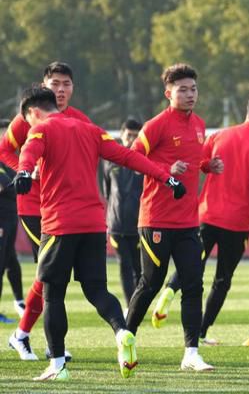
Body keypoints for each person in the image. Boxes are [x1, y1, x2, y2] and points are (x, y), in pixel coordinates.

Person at [14, 86, 184, 381]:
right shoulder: (90, 129)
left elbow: (29, 153)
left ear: (32, 112)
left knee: (53, 295)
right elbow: (128, 157)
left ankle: (57, 366)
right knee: (97, 291)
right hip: (94, 224)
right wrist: (166, 177)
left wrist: (23, 173)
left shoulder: (40, 129)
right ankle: (121, 332)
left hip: (59, 225)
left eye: (28, 121)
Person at [154, 94, 249, 346]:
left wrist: (207, 166)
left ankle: (169, 291)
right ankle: (201, 333)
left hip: (206, 214)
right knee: (222, 279)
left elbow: (198, 162)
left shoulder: (219, 135)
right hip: (236, 223)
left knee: (192, 266)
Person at [125, 63, 214, 371]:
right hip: (156, 219)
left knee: (193, 283)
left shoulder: (200, 124)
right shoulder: (157, 125)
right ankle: (126, 338)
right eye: (182, 90)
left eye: (193, 89)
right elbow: (133, 157)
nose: (190, 94)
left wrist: (207, 166)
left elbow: (192, 160)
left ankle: (191, 353)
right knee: (150, 283)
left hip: (188, 221)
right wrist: (166, 173)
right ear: (168, 93)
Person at [2, 62, 92, 361]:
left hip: (64, 208)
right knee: (51, 274)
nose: (61, 89)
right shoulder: (28, 118)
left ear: (73, 87)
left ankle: (23, 336)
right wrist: (25, 173)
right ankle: (36, 340)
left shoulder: (80, 120)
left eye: (66, 83)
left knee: (52, 274)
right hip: (33, 206)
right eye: (55, 83)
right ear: (44, 85)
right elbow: (4, 150)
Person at [103, 119, 144, 307]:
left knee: (139, 268)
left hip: (139, 226)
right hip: (117, 226)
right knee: (124, 266)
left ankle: (137, 305)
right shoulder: (111, 161)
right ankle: (130, 307)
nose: (132, 139)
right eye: (129, 135)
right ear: (122, 135)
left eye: (136, 136)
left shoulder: (145, 161)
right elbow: (107, 191)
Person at [0, 118, 24, 322]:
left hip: (10, 220)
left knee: (11, 263)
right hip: (1, 223)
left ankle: (20, 302)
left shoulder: (9, 162)